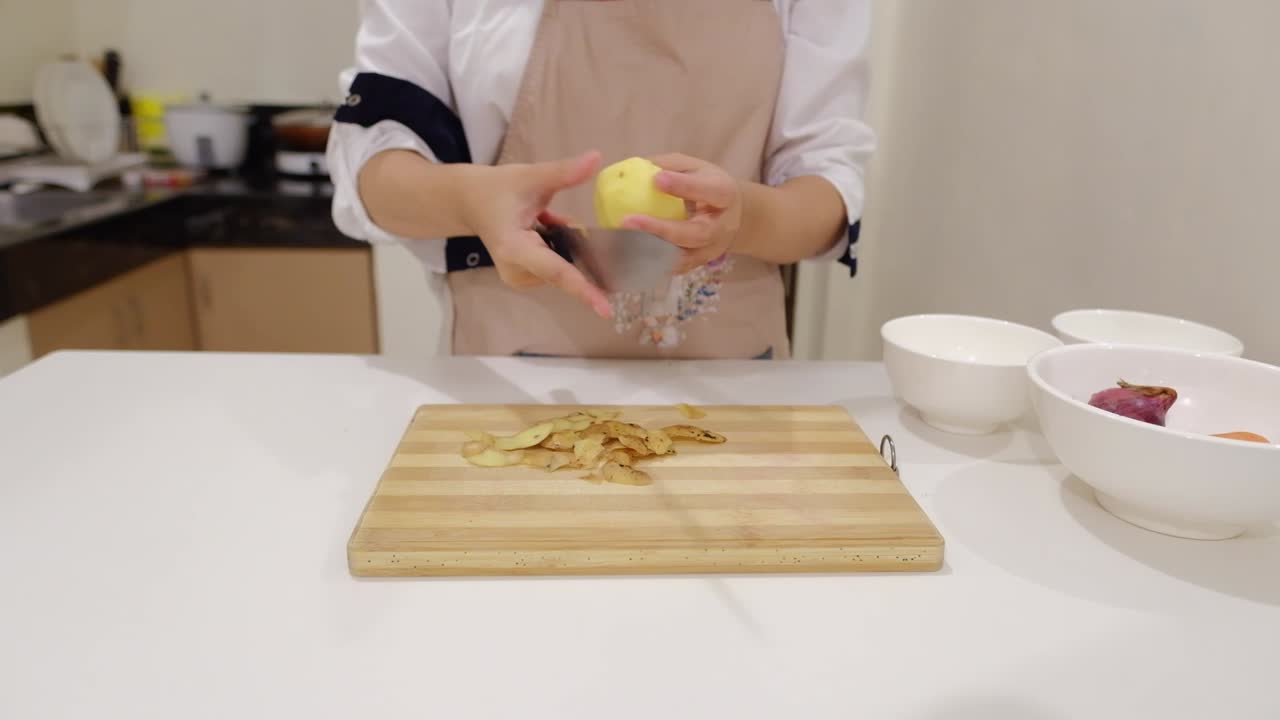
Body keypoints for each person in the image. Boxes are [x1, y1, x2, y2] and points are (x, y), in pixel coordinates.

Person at [328, 0, 874, 359]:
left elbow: (825, 186)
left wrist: (745, 218)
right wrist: (471, 201)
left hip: (733, 391)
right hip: (511, 384)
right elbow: (375, 167)